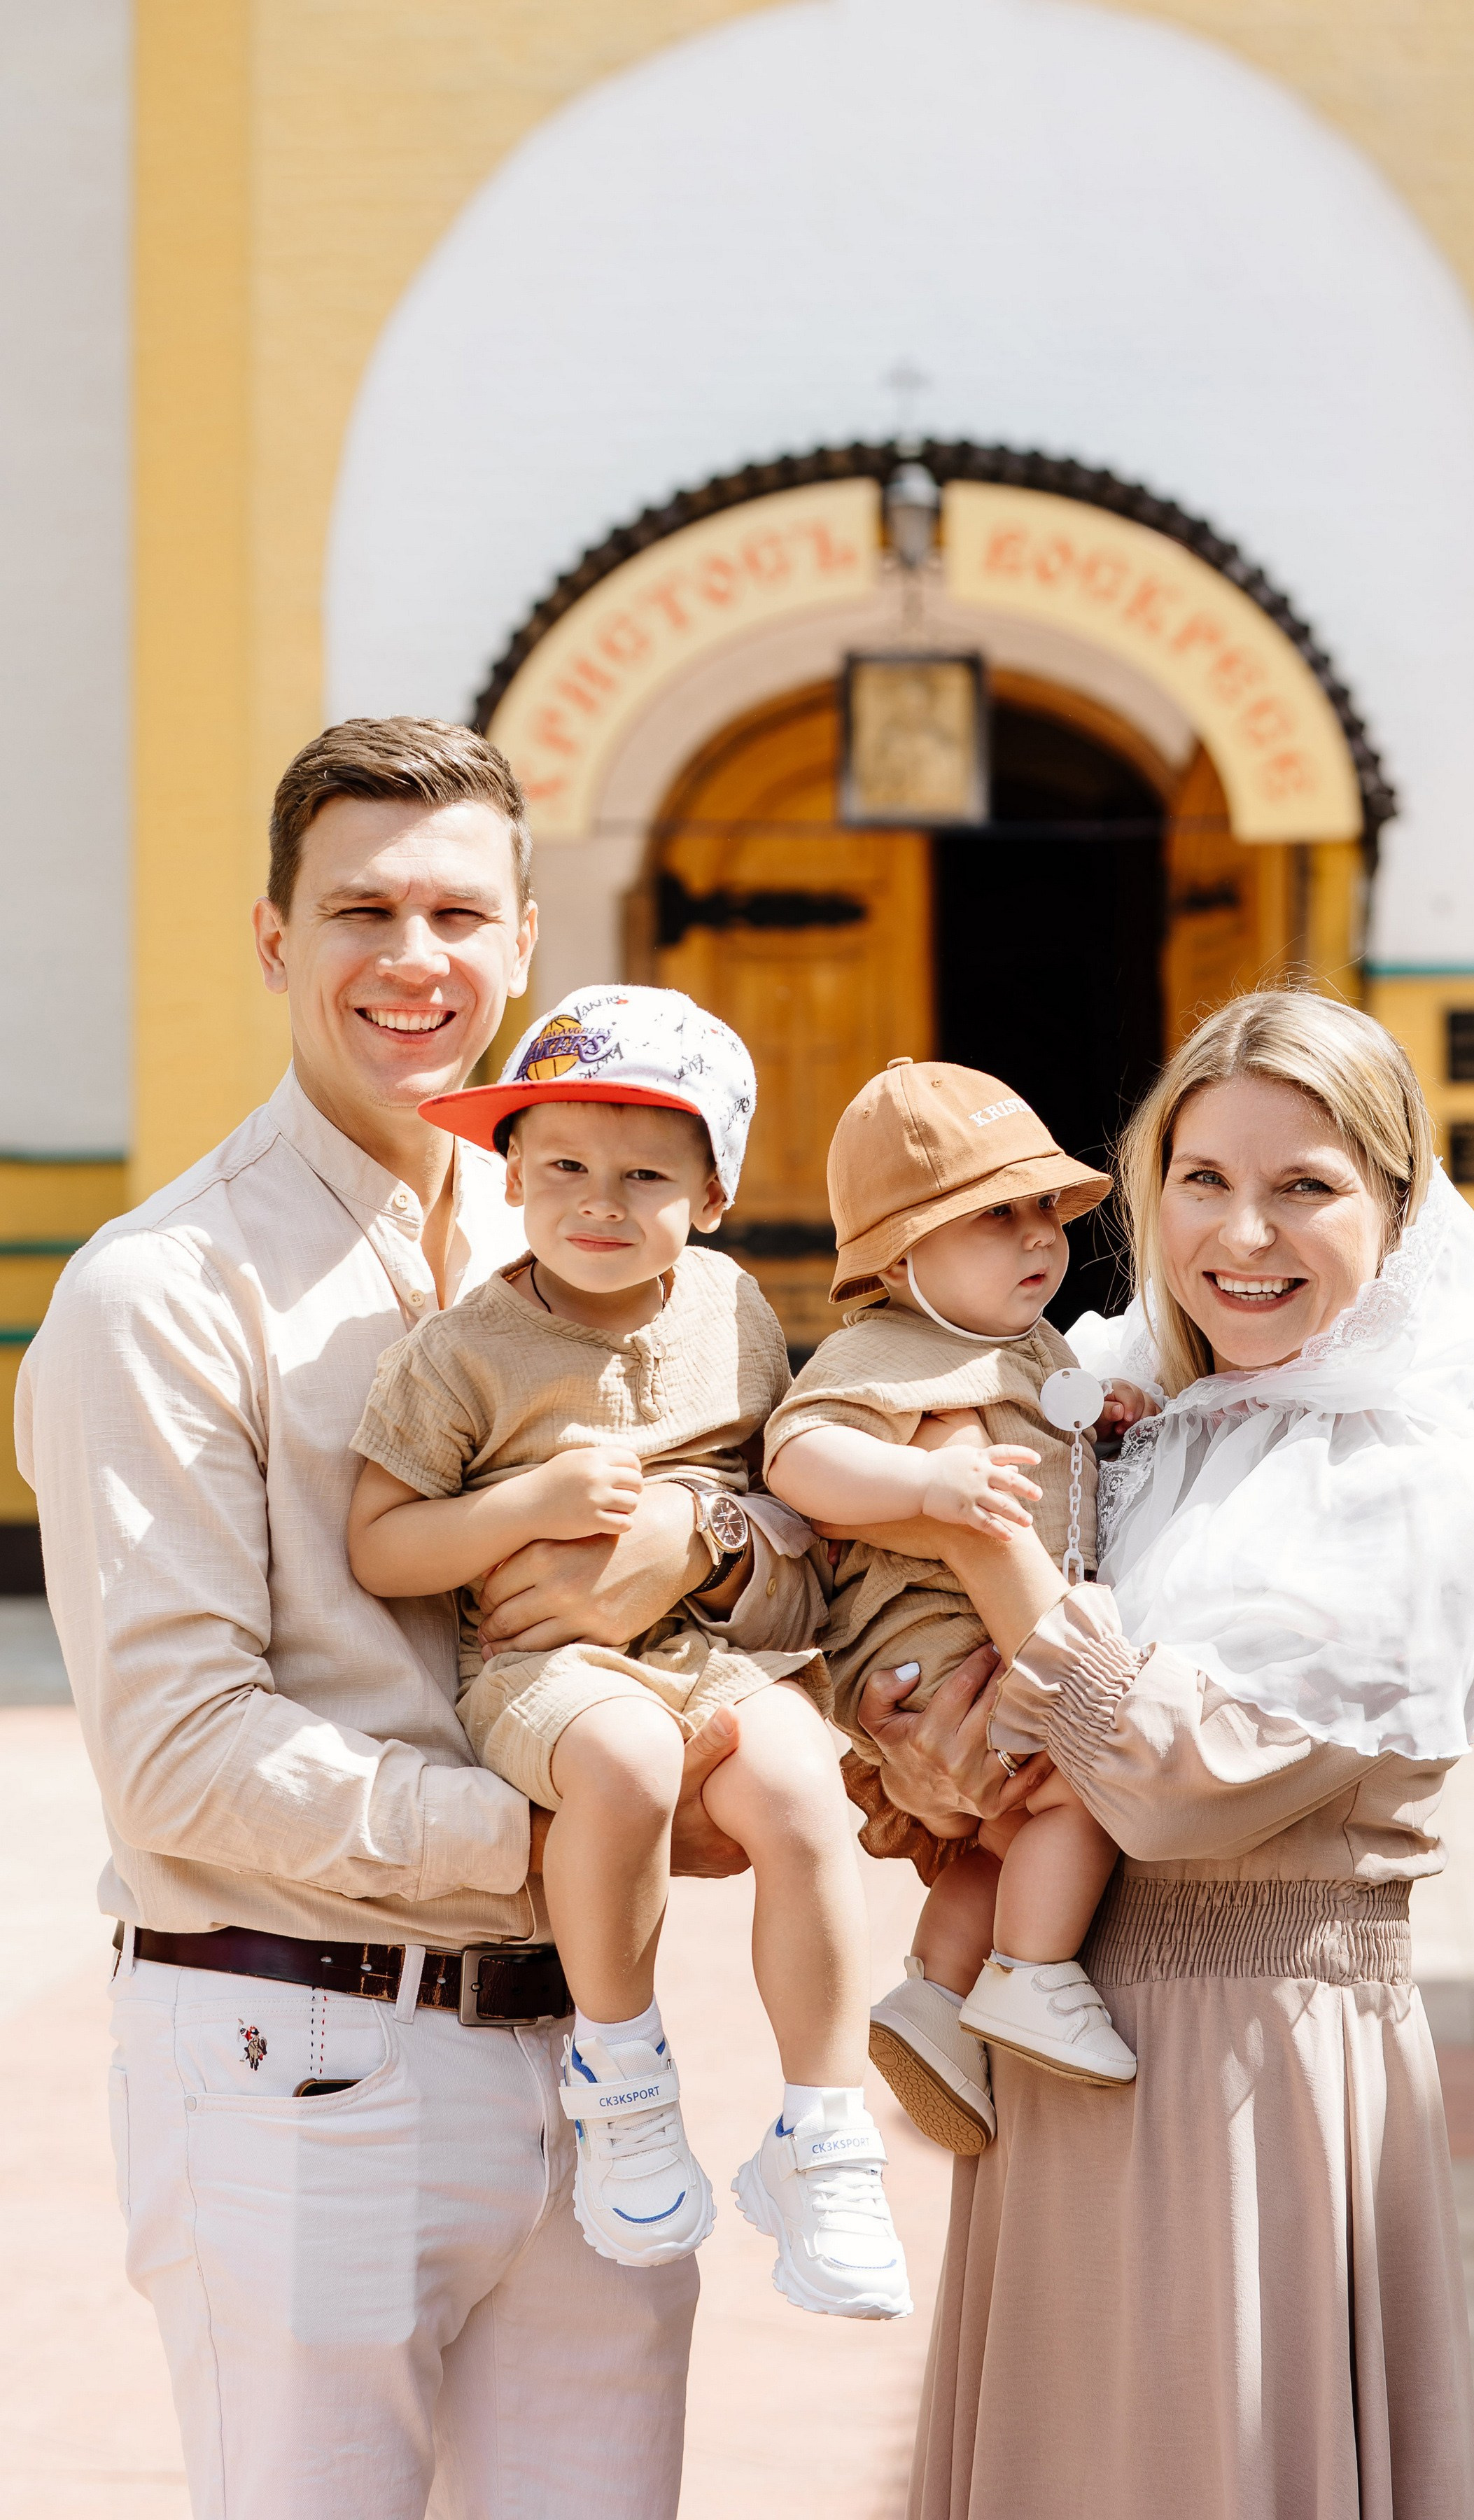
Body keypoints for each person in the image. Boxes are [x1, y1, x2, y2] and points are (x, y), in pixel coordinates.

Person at [15, 720, 799, 2520]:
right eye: (360, 908)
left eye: (459, 910)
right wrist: (572, 1833)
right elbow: (180, 1762)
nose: (415, 958)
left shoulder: (621, 1241)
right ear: (278, 939)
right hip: (306, 2070)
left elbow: (775, 1558)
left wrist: (706, 1532)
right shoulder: (165, 1290)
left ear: (526, 940)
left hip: (597, 2063)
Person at [835, 990, 1474, 2520]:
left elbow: (1182, 1788)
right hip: (1060, 2044)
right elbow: (1001, 1741)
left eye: (1305, 1185)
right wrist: (920, 1743)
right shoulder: (1133, 1422)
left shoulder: (1413, 1482)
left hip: (1254, 2056)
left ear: (1396, 1207)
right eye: (1202, 1180)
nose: (1242, 1232)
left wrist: (987, 1564)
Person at [347, 983, 911, 2316]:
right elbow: (380, 1545)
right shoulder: (461, 1354)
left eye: (645, 1174)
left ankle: (822, 2133)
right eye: (562, 1168)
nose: (598, 1202)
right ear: (511, 1172)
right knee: (626, 1765)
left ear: (712, 1195)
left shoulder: (732, 1309)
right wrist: (524, 1508)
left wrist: (708, 1532)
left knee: (802, 1792)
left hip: (717, 1645)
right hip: (547, 1669)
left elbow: (787, 1498)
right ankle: (626, 2075)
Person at [764, 1057, 1143, 2156]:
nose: (1038, 1239)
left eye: (1045, 1212)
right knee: (1078, 1790)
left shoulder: (1022, 1343)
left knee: (992, 1840)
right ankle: (1032, 1973)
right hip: (938, 1654)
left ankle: (934, 1995)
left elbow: (1052, 1405)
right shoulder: (882, 1353)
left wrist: (1103, 1410)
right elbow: (800, 1457)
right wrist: (926, 1487)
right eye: (995, 1218)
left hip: (976, 1658)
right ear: (897, 1251)